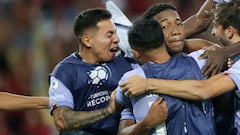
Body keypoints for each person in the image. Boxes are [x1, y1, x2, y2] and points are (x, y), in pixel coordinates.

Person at [119, 1, 240, 134]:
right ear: (153, 35)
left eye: (179, 24)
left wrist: (221, 54)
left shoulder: (204, 59)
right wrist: (145, 124)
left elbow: (206, 92)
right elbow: (122, 129)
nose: (175, 31)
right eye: (164, 26)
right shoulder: (136, 76)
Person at [48, 8, 168, 135]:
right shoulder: (64, 72)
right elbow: (61, 121)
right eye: (109, 35)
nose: (117, 39)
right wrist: (109, 110)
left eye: (116, 33)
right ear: (87, 40)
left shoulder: (128, 60)